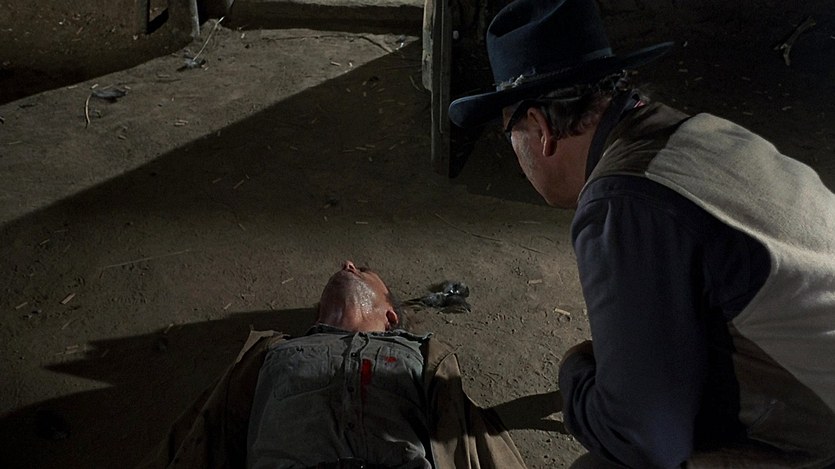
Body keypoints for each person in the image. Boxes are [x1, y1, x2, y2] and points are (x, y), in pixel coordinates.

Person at [447, 0, 835, 468]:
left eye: (508, 130)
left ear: (540, 128)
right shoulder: (696, 132)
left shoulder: (621, 202)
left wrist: (575, 371)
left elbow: (642, 439)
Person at [139, 260, 526, 469]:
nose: (348, 263)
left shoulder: (420, 354)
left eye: (362, 272)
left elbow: (473, 441)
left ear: (391, 316)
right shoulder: (272, 352)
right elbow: (204, 431)